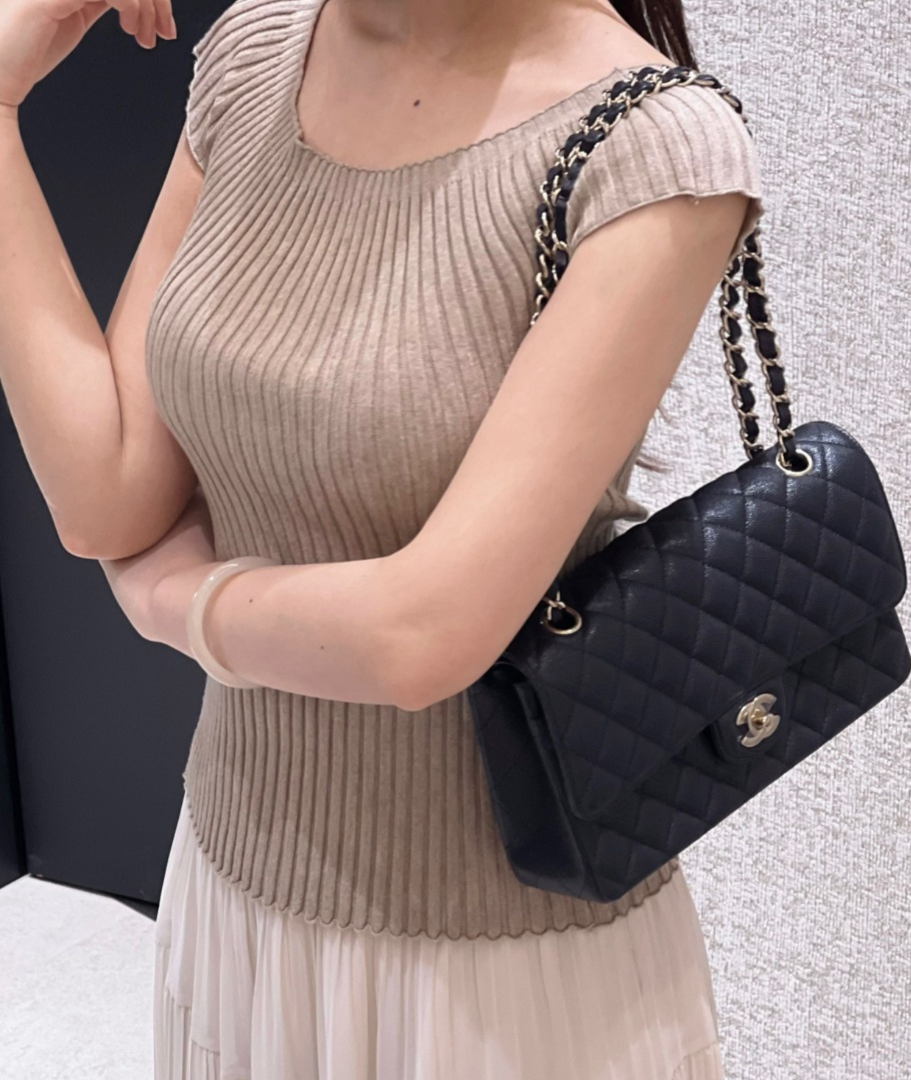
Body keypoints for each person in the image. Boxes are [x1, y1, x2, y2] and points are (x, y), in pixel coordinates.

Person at [0, 0, 765, 1075]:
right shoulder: (256, 51)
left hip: (495, 966)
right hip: (233, 884)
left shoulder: (651, 149)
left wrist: (177, 601)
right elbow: (114, 491)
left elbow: (422, 636)